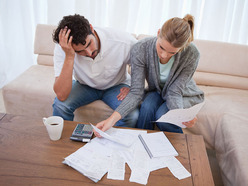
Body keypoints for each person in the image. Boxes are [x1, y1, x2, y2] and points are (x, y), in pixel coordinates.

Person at [95, 14, 204, 135]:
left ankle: (179, 149)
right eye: (161, 47)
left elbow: (175, 91)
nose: (164, 55)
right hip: (156, 91)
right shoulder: (141, 48)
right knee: (146, 107)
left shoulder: (192, 53)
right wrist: (111, 120)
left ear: (183, 47)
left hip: (182, 94)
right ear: (158, 33)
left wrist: (180, 116)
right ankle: (141, 143)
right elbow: (136, 92)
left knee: (164, 118)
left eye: (172, 53)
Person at [52, 14, 139, 128]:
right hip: (84, 85)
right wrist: (69, 56)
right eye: (80, 51)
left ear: (91, 28)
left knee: (131, 114)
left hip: (116, 85)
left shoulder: (123, 41)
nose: (89, 52)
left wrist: (133, 87)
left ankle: (114, 144)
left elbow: (142, 67)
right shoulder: (63, 48)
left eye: (89, 44)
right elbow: (61, 95)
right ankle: (64, 145)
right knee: (60, 106)